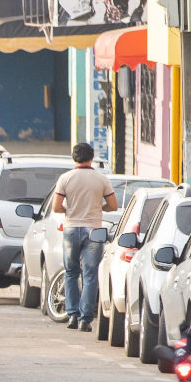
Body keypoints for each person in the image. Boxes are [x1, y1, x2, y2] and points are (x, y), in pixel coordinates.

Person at [51, 141, 116, 331]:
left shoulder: (65, 178)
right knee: (90, 274)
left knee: (71, 272)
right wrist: (97, 208)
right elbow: (113, 205)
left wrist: (70, 211)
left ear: (73, 158)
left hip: (71, 228)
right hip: (93, 230)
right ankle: (85, 320)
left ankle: (72, 315)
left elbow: (56, 207)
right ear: (92, 158)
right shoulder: (102, 179)